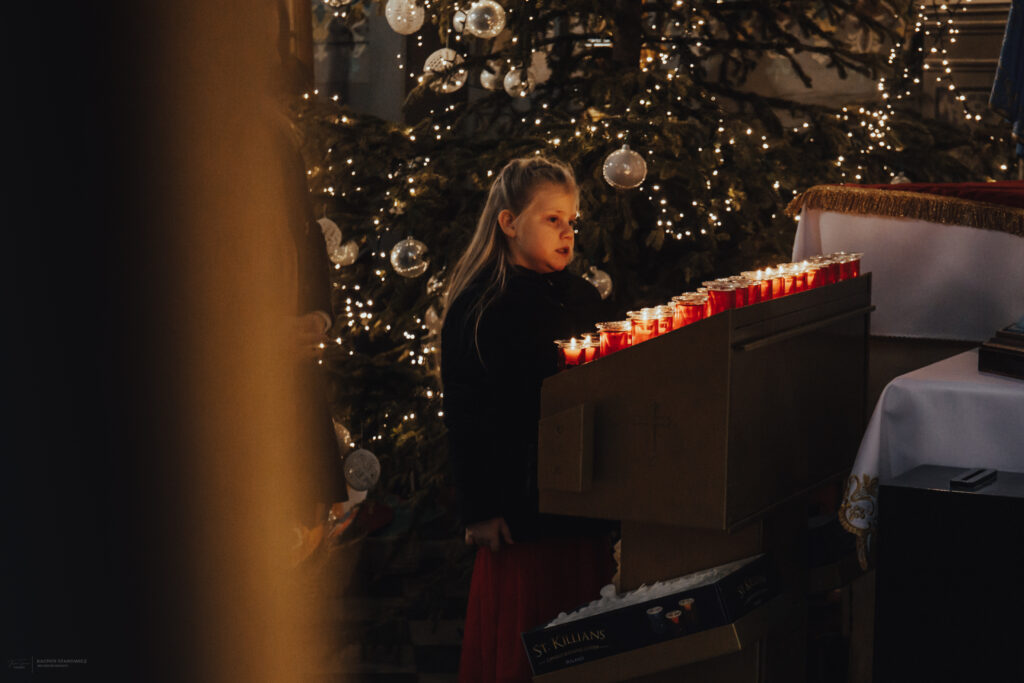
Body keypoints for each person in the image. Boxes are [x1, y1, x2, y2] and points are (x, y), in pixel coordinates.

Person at [441, 156, 615, 683]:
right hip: (520, 512)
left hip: (584, 500)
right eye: (552, 219)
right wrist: (480, 508)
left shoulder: (582, 297)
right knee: (529, 637)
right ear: (509, 223)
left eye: (572, 221)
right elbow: (467, 413)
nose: (567, 232)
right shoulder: (480, 306)